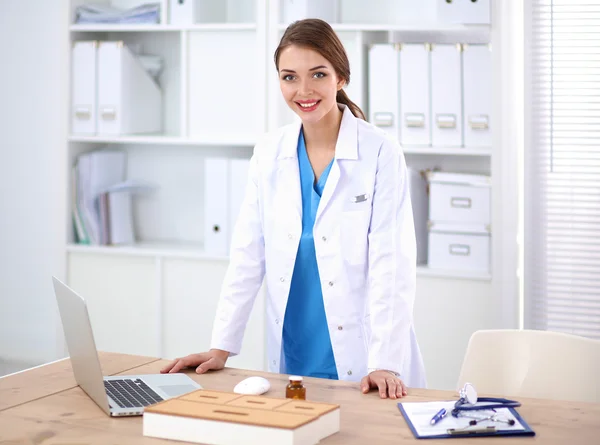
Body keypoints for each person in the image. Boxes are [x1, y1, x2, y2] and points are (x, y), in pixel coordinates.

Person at [161, 18, 427, 399]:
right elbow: (248, 257)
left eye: (317, 74)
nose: (303, 90)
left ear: (340, 78)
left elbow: (392, 264)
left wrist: (384, 360)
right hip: (294, 357)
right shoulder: (270, 153)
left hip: (366, 358)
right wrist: (221, 346)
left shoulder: (379, 152)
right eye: (289, 77)